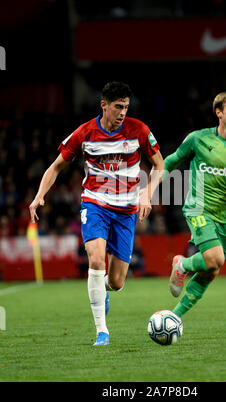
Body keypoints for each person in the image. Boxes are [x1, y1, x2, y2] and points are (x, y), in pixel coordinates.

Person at [29, 82, 164, 346]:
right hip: (95, 204)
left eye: (126, 106)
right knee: (96, 259)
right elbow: (56, 167)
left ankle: (104, 288)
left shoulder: (139, 130)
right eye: (118, 106)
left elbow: (159, 164)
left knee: (116, 282)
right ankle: (102, 331)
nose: (123, 112)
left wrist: (148, 193)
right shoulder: (85, 133)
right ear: (104, 105)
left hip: (126, 211)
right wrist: (39, 195)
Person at [162, 90, 226, 318]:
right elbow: (172, 160)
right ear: (219, 112)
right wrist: (150, 186)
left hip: (225, 214)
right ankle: (183, 265)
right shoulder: (198, 139)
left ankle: (174, 316)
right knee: (214, 258)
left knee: (213, 268)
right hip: (197, 206)